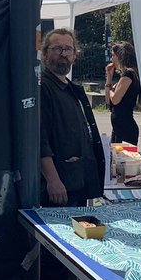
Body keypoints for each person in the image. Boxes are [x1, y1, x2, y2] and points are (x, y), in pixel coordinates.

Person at [39, 28, 106, 207]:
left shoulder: (71, 88)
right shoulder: (43, 87)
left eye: (68, 49)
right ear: (45, 54)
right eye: (57, 48)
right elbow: (39, 139)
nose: (63, 54)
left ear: (75, 55)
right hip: (60, 186)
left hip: (78, 181)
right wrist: (53, 179)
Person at [105, 41, 141, 148]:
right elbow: (108, 101)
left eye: (113, 55)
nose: (111, 59)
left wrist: (111, 89)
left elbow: (115, 99)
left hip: (126, 128)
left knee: (124, 162)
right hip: (118, 127)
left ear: (120, 56)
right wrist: (109, 77)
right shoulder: (124, 76)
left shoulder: (129, 74)